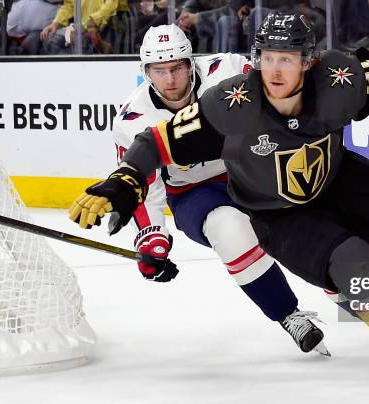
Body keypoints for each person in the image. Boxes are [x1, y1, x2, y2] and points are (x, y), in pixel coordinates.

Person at [70, 12, 369, 383]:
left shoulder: (338, 77)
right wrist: (125, 183)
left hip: (340, 178)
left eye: (287, 58)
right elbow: (156, 142)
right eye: (267, 58)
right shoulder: (230, 103)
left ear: (309, 61)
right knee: (356, 267)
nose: (275, 70)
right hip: (276, 212)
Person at [111, 24, 328, 356]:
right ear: (145, 72)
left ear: (191, 63)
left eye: (177, 68)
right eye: (159, 71)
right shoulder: (132, 119)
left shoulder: (226, 70)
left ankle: (344, 287)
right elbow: (145, 186)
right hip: (194, 193)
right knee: (228, 229)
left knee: (308, 228)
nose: (170, 80)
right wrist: (153, 238)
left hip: (254, 171)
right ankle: (288, 314)